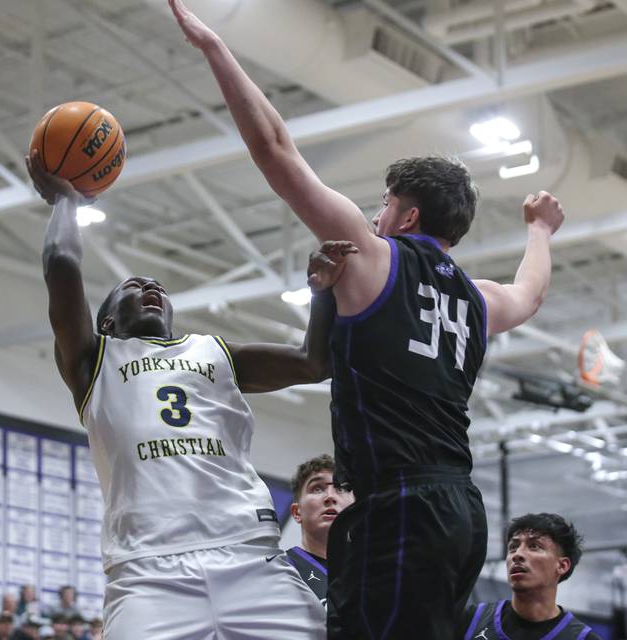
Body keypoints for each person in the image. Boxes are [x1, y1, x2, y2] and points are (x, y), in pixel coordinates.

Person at [168, 2, 566, 637]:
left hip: (400, 506)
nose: (375, 214)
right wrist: (540, 230)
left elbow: (276, 151)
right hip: (460, 508)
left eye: (384, 204)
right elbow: (532, 292)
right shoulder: (479, 297)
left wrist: (216, 47)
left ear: (406, 217)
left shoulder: (375, 260)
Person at [26, 145, 355, 640]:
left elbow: (314, 361)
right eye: (134, 286)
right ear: (109, 320)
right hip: (149, 571)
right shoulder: (94, 362)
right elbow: (61, 264)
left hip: (248, 555)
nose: (150, 287)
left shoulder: (214, 352)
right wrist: (66, 202)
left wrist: (322, 291)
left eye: (157, 285)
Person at [461, 513, 601, 639]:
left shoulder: (582, 638)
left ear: (562, 566)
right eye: (513, 547)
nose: (517, 554)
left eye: (534, 546)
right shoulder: (470, 620)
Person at [286, 454, 354, 607]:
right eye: (317, 489)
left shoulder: (379, 571)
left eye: (341, 488)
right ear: (297, 512)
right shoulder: (279, 570)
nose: (330, 497)